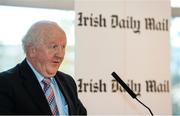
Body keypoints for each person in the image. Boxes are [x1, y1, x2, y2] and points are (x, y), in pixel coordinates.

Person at [0, 20, 87, 115]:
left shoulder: (68, 82)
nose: (60, 55)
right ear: (32, 50)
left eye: (63, 47)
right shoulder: (5, 83)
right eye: (54, 47)